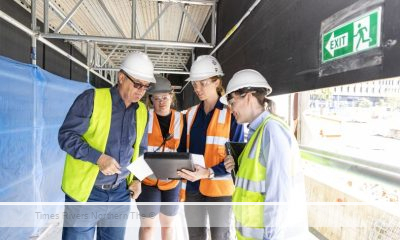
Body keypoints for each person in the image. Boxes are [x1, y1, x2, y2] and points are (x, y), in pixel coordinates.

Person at [58, 51, 156, 240]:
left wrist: (137, 179)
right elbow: (66, 136)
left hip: (120, 194)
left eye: (146, 86)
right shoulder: (92, 99)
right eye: (137, 84)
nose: (141, 91)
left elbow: (141, 149)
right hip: (87, 193)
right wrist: (99, 158)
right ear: (121, 77)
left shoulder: (143, 111)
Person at [220, 69, 309, 240]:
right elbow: (257, 181)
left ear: (248, 96)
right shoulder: (258, 132)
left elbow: (279, 194)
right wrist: (238, 166)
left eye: (232, 102)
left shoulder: (272, 131)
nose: (231, 109)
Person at [177, 55, 244, 240]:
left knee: (219, 236)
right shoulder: (189, 115)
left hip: (219, 190)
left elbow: (237, 160)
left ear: (217, 81)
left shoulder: (233, 114)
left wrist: (207, 172)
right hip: (192, 187)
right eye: (194, 84)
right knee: (195, 236)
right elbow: (182, 151)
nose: (197, 89)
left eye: (202, 83)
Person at [136, 75, 184, 240]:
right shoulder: (143, 117)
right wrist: (136, 178)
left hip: (172, 182)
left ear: (171, 97)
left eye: (164, 97)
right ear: (151, 100)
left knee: (168, 227)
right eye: (156, 99)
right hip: (148, 182)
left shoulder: (181, 119)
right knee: (148, 228)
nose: (161, 102)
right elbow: (135, 150)